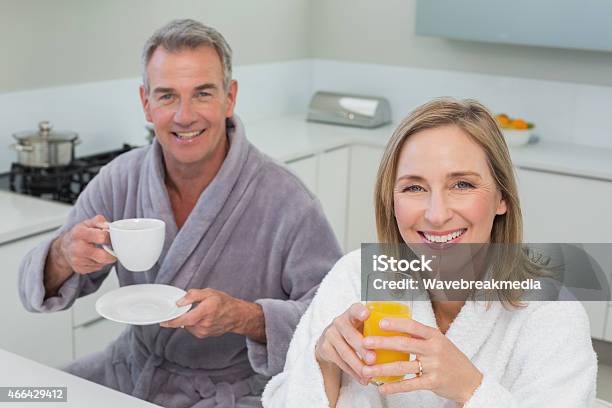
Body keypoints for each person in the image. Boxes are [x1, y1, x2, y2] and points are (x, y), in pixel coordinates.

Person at [18, 19, 342, 408]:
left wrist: (246, 317)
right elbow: (30, 288)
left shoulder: (288, 200)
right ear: (146, 103)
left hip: (235, 393)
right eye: (167, 96)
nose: (184, 116)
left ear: (229, 97)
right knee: (21, 396)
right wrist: (63, 255)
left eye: (202, 93)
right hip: (131, 371)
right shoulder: (122, 178)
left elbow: (333, 320)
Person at [262, 98, 597, 407]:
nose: (436, 214)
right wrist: (324, 364)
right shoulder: (356, 276)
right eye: (414, 187)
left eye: (462, 184)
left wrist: (470, 387)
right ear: (390, 202)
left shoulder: (553, 311)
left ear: (501, 198)